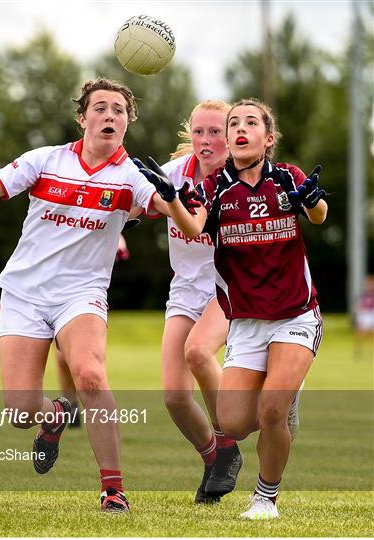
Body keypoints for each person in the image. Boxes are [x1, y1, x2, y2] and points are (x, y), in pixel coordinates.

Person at [0, 78, 170, 512]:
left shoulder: (133, 175)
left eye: (119, 110)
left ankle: (113, 489)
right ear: (82, 117)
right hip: (25, 294)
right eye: (101, 108)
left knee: (89, 374)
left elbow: (164, 205)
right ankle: (52, 419)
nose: (110, 115)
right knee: (19, 411)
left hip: (82, 294)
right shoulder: (46, 160)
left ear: (128, 122)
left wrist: (169, 200)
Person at [137, 98, 327, 520]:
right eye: (234, 122)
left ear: (267, 137)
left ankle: (265, 498)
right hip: (246, 321)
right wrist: (171, 200)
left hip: (295, 314)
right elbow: (194, 225)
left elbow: (318, 214)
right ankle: (277, 401)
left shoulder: (287, 178)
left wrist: (312, 201)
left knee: (271, 410)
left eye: (250, 122)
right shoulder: (215, 187)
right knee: (235, 423)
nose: (240, 128)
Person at [146, 101, 242, 504]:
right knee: (174, 396)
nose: (205, 141)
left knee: (199, 352)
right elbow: (137, 202)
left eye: (215, 132)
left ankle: (228, 443)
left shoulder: (240, 179)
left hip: (227, 287)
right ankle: (214, 458)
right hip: (185, 289)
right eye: (199, 132)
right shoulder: (174, 173)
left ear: (232, 135)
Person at [55, 234, 131, 429]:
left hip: (87, 298)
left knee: (86, 363)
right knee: (61, 358)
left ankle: (94, 412)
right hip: (55, 292)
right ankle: (70, 407)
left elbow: (118, 242)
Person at [354, 275, 374, 359]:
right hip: (364, 314)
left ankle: (372, 350)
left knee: (372, 333)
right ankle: (359, 349)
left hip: (372, 313)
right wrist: (358, 311)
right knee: (361, 333)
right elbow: (358, 304)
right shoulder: (364, 294)